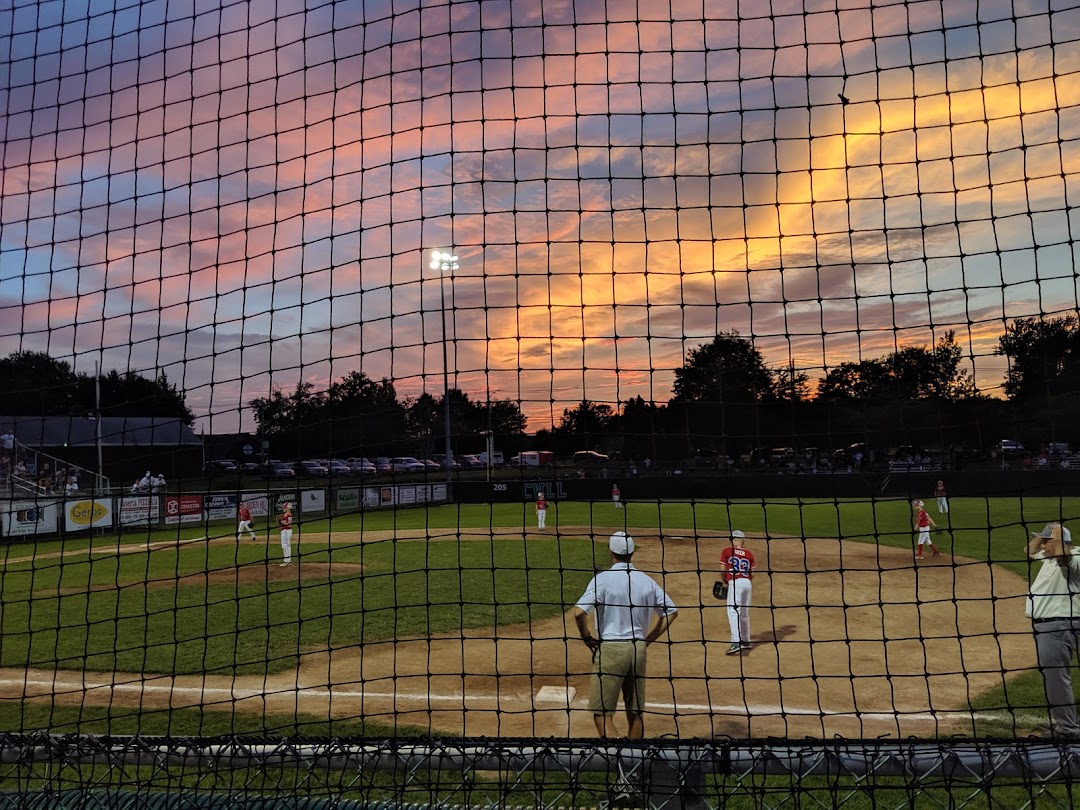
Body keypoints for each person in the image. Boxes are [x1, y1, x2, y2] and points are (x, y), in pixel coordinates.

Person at [572, 531, 678, 738]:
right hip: (637, 649)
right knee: (635, 712)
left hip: (611, 650)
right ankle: (634, 764)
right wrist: (648, 639)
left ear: (612, 553)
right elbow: (671, 612)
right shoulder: (646, 581)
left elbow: (578, 613)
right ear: (632, 553)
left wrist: (586, 638)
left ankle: (618, 759)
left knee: (601, 713)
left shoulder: (602, 579)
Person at [1026, 522, 1080, 737]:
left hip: (1060, 626)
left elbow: (1064, 558)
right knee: (1056, 678)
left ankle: (1067, 730)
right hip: (1051, 626)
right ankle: (1067, 725)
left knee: (1057, 679)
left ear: (1057, 542)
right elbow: (1029, 550)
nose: (1042, 546)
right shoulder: (1047, 557)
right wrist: (1044, 535)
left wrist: (1056, 537)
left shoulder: (1075, 556)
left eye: (1046, 542)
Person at [720, 530, 756, 655]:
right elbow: (753, 574)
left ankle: (736, 642)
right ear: (743, 540)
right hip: (747, 584)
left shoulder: (727, 551)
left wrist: (725, 580)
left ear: (733, 539)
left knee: (732, 611)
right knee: (744, 613)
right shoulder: (749, 553)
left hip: (735, 583)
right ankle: (746, 641)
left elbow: (722, 570)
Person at [278, 502, 294, 567]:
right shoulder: (285, 514)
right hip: (285, 531)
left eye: (284, 507)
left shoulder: (289, 514)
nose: (283, 508)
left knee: (286, 545)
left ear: (288, 508)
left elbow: (289, 523)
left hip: (287, 531)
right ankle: (288, 561)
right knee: (285, 545)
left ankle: (287, 561)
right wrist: (281, 526)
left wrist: (281, 522)